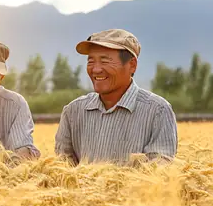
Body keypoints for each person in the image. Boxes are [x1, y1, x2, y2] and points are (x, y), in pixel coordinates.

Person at [55, 28, 178, 166]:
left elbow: (158, 175)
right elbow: (62, 171)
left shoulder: (157, 111)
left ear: (132, 65)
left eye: (105, 61)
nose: (96, 69)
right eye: (91, 61)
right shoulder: (73, 111)